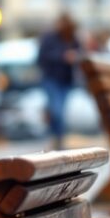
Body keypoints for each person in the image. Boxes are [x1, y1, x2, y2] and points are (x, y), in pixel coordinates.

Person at [37, 13, 80, 150]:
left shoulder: (72, 38)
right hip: (51, 79)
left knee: (60, 110)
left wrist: (75, 57)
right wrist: (62, 57)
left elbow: (80, 53)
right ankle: (57, 138)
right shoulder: (49, 38)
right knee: (57, 110)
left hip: (66, 81)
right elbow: (41, 58)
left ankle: (57, 139)